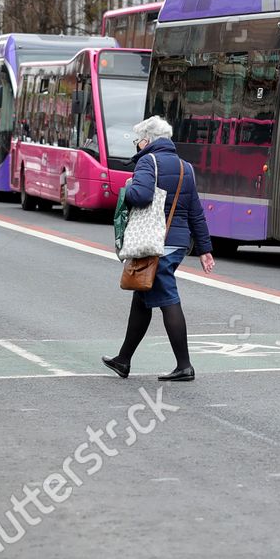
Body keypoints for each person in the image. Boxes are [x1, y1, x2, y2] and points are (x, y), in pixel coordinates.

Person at [102, 116, 214, 382]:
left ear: (147, 140)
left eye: (138, 140)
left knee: (167, 298)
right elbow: (195, 211)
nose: (137, 145)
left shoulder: (146, 161)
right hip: (176, 241)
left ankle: (184, 366)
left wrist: (126, 189)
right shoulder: (185, 167)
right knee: (142, 296)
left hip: (155, 241)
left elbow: (141, 195)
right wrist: (205, 249)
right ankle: (124, 360)